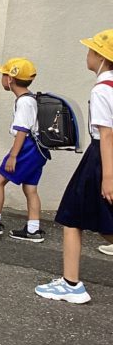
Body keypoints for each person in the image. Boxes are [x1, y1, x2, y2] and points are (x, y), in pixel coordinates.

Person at [35, 29, 113, 305]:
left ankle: (71, 284)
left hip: (101, 156)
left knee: (71, 217)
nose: (87, 54)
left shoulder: (102, 89)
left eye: (91, 50)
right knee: (101, 219)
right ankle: (70, 283)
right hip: (104, 156)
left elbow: (106, 134)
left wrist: (107, 176)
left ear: (101, 57)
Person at [0, 58, 48, 241]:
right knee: (30, 189)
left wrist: (13, 155)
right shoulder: (31, 99)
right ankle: (33, 230)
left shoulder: (24, 102)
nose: (2, 78)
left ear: (10, 79)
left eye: (3, 75)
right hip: (38, 149)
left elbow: (22, 130)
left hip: (26, 148)